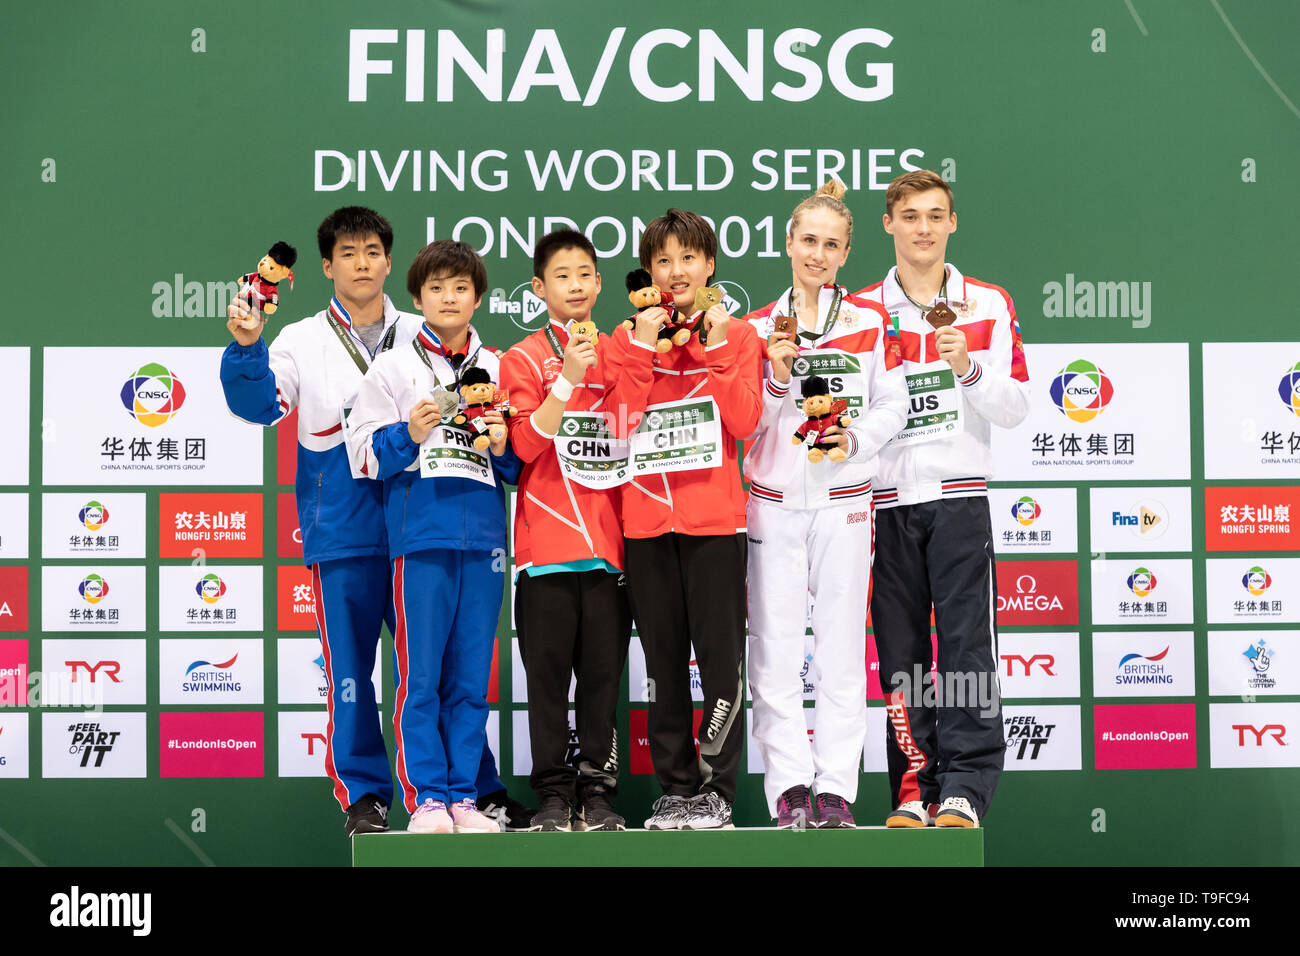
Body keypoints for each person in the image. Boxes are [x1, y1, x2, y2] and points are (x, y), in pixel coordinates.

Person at [292, 235, 515, 834]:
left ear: (478, 299)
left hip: (486, 543)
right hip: (418, 541)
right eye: (436, 288)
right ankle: (425, 797)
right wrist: (409, 434)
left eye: (461, 288)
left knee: (470, 678)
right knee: (419, 677)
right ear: (416, 297)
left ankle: (463, 796)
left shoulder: (495, 367)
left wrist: (503, 444)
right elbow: (363, 457)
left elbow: (519, 467)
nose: (449, 298)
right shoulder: (392, 367)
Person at [855, 170, 1031, 829]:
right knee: (900, 654)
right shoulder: (861, 311)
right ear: (888, 224)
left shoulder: (985, 302)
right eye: (910, 215)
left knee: (966, 650)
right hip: (884, 501)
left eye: (935, 215)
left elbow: (1014, 408)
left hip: (960, 501)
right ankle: (913, 785)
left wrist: (969, 367)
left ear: (953, 223)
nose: (923, 227)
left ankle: (964, 789)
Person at [742, 180, 907, 828]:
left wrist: (856, 438)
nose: (817, 253)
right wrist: (777, 377)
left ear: (845, 254)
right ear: (787, 244)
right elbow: (743, 421)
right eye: (807, 240)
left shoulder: (870, 324)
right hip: (773, 503)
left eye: (830, 244)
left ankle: (836, 789)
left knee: (839, 649)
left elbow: (895, 404)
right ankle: (788, 790)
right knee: (775, 652)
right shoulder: (756, 327)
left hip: (844, 500)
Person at [601, 209, 763, 830]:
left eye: (688, 259)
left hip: (716, 523)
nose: (676, 272)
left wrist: (716, 346)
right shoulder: (624, 339)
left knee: (721, 662)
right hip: (645, 525)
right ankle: (676, 788)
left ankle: (718, 789)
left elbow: (746, 424)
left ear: (710, 265)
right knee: (662, 664)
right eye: (663, 261)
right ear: (648, 270)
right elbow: (618, 425)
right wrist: (642, 349)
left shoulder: (739, 335)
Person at [498, 229, 632, 832]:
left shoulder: (627, 350)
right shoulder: (519, 359)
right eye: (562, 276)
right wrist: (567, 380)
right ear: (539, 288)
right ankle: (553, 793)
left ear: (599, 283)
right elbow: (522, 446)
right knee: (547, 686)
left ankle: (598, 793)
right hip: (545, 551)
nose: (575, 285)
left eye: (585, 274)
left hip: (611, 550)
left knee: (603, 683)